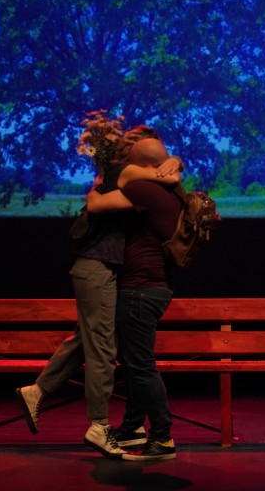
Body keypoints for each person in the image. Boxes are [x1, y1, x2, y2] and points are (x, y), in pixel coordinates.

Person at [15, 125, 182, 459]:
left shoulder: (126, 178)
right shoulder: (131, 175)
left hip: (111, 271)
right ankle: (101, 425)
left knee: (91, 340)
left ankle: (41, 392)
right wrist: (174, 166)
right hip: (100, 267)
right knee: (103, 347)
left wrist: (174, 162)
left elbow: (110, 188)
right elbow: (96, 203)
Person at [85, 137, 183, 461]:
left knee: (140, 366)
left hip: (140, 288)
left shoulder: (143, 189)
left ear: (141, 166)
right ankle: (132, 427)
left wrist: (96, 185)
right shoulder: (174, 189)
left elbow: (96, 205)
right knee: (134, 363)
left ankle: (163, 438)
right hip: (156, 285)